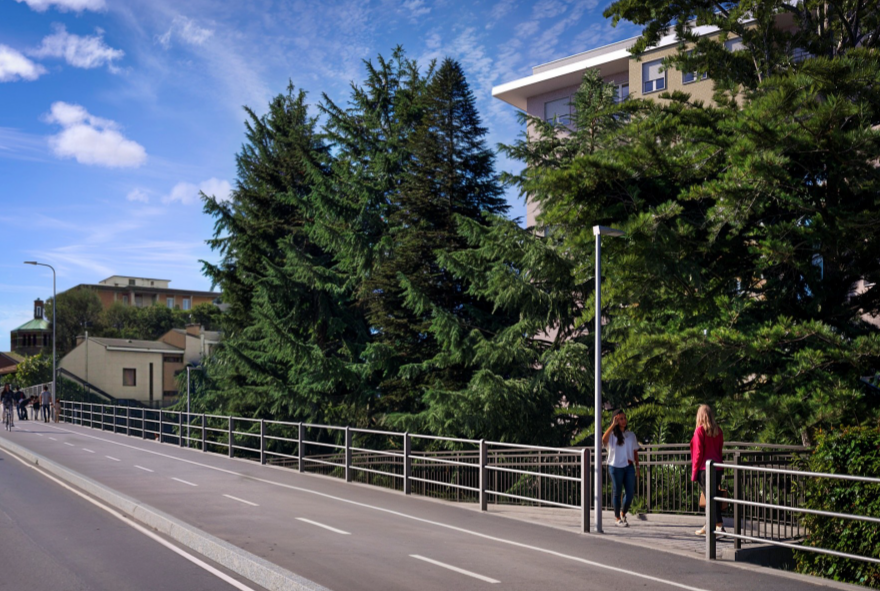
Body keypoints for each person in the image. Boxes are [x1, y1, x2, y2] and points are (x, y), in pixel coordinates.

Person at [690, 404, 725, 535]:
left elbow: (698, 453)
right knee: (712, 496)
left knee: (710, 497)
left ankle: (719, 525)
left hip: (705, 469)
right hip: (718, 467)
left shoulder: (700, 431)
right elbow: (720, 450)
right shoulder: (718, 431)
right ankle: (709, 524)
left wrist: (694, 473)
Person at [602, 409, 641, 527]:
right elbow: (604, 439)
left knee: (630, 493)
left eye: (624, 418)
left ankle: (623, 513)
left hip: (628, 466)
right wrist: (613, 425)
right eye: (621, 419)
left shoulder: (631, 435)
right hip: (615, 466)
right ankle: (617, 518)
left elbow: (635, 451)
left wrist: (637, 466)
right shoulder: (612, 436)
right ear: (616, 420)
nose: (624, 421)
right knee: (617, 492)